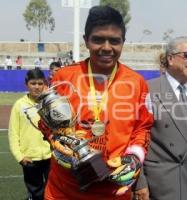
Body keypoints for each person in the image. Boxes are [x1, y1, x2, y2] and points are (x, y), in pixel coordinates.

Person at [38, 6, 153, 200]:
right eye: (98, 39)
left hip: (114, 192)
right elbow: (46, 125)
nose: (107, 47)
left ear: (123, 42)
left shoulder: (137, 82)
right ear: (86, 41)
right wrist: (59, 144)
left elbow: (143, 128)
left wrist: (134, 158)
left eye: (115, 41)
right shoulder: (64, 77)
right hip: (63, 191)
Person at [133, 37, 187, 200]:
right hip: (157, 187)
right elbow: (133, 140)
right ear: (170, 59)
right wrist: (139, 183)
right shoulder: (148, 90)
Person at [8, 69, 51, 200]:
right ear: (27, 84)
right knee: (36, 194)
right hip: (30, 158)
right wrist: (19, 157)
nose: (37, 87)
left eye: (40, 83)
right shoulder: (19, 105)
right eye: (33, 83)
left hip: (51, 157)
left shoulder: (50, 103)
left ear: (45, 84)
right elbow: (13, 133)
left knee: (53, 192)